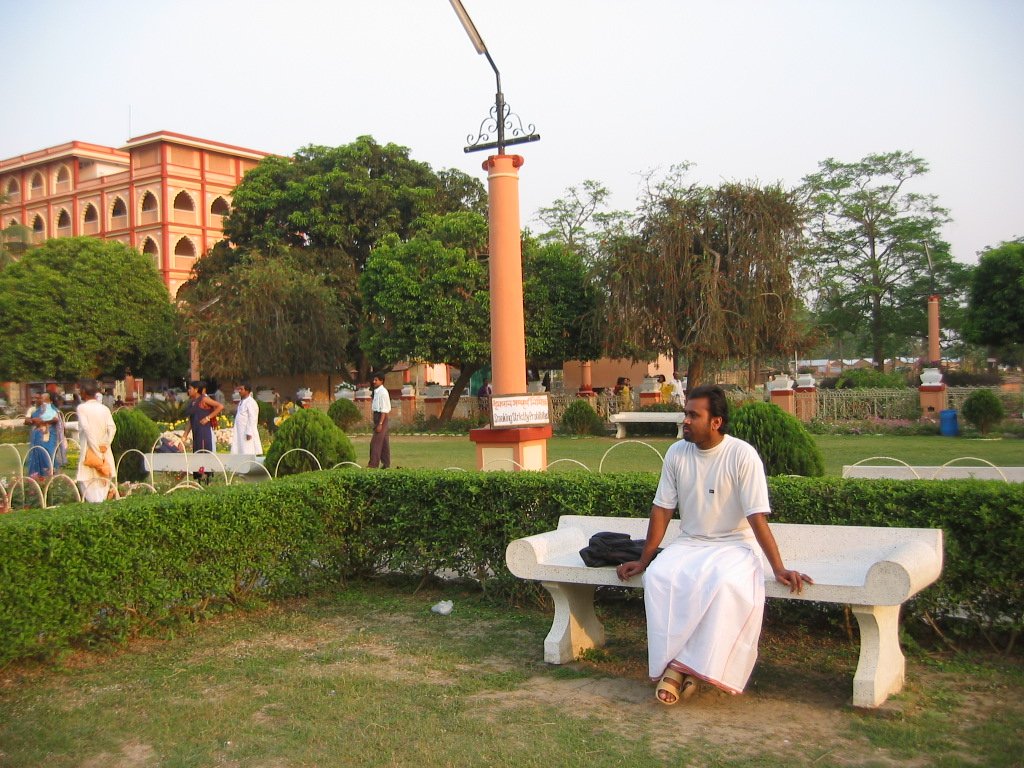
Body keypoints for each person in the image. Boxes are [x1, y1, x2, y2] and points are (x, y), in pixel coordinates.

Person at [616, 384, 812, 705]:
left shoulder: (741, 455)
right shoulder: (677, 453)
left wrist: (777, 568)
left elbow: (756, 518)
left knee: (722, 584)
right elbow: (662, 509)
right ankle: (683, 666)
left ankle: (681, 670)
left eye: (694, 415)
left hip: (734, 546)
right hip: (690, 543)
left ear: (716, 422)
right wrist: (644, 560)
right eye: (686, 414)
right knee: (658, 577)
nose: (686, 421)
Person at [76, 381, 116, 502]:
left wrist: (96, 451)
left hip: (90, 453)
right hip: (104, 452)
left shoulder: (82, 408)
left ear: (84, 392)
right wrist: (105, 445)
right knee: (101, 489)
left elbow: (88, 430)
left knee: (90, 487)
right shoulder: (104, 409)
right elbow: (112, 429)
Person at [181, 381, 224, 482]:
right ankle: (199, 478)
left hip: (203, 432)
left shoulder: (204, 399)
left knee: (204, 453)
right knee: (197, 454)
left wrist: (208, 418)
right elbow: (190, 421)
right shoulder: (192, 402)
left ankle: (206, 478)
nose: (189, 390)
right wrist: (184, 436)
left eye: (190, 388)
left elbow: (220, 406)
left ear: (196, 390)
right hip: (196, 432)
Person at [23, 392, 59, 479]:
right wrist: (33, 421)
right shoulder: (32, 409)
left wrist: (43, 422)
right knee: (36, 453)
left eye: (39, 398)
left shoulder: (52, 409)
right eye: (36, 398)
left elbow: (55, 419)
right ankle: (36, 476)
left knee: (48, 453)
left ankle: (50, 475)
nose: (37, 400)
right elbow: (26, 421)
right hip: (37, 435)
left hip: (49, 435)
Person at [231, 382, 263, 456]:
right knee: (240, 450)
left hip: (247, 431)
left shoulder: (251, 402)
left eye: (241, 389)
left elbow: (252, 418)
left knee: (247, 449)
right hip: (240, 430)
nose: (239, 391)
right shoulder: (242, 402)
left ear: (247, 391)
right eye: (239, 389)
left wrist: (249, 432)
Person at [368, 373, 391, 469]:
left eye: (376, 380)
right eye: (374, 380)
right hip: (378, 416)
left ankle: (373, 464)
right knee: (384, 442)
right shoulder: (377, 391)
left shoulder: (383, 392)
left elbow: (384, 410)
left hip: (382, 418)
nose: (374, 382)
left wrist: (380, 423)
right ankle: (386, 464)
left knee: (375, 442)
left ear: (381, 381)